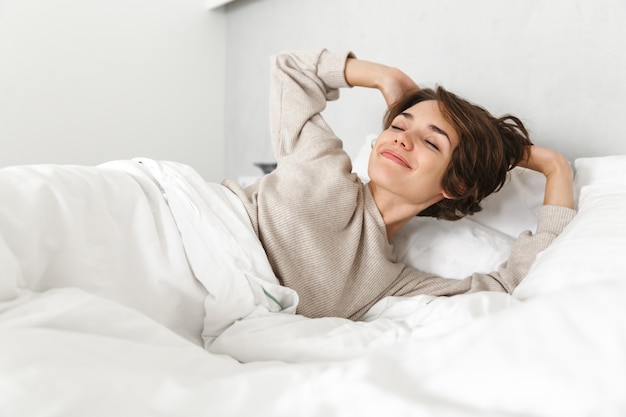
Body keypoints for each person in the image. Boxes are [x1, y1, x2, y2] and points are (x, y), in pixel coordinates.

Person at [222, 48, 576, 321]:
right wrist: (385, 77)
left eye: (431, 142)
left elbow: (512, 286)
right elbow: (292, 69)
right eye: (399, 126)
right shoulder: (322, 166)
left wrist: (556, 168)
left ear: (456, 184)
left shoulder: (385, 284)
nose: (401, 140)